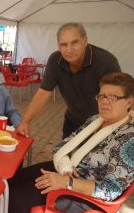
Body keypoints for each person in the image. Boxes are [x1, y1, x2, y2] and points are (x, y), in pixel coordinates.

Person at [9, 72, 134, 213]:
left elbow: (111, 190)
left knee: (17, 197)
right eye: (101, 96)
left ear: (129, 102)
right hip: (68, 169)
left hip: (86, 194)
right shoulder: (95, 120)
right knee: (13, 179)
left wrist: (66, 182)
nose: (105, 101)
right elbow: (62, 145)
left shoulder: (129, 139)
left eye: (113, 97)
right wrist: (64, 166)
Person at [17, 22, 121, 139]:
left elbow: (118, 99)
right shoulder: (55, 60)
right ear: (58, 46)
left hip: (102, 123)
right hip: (73, 120)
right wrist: (25, 122)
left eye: (74, 43)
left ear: (85, 41)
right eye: (64, 44)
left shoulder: (106, 61)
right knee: (64, 154)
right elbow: (43, 93)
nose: (69, 50)